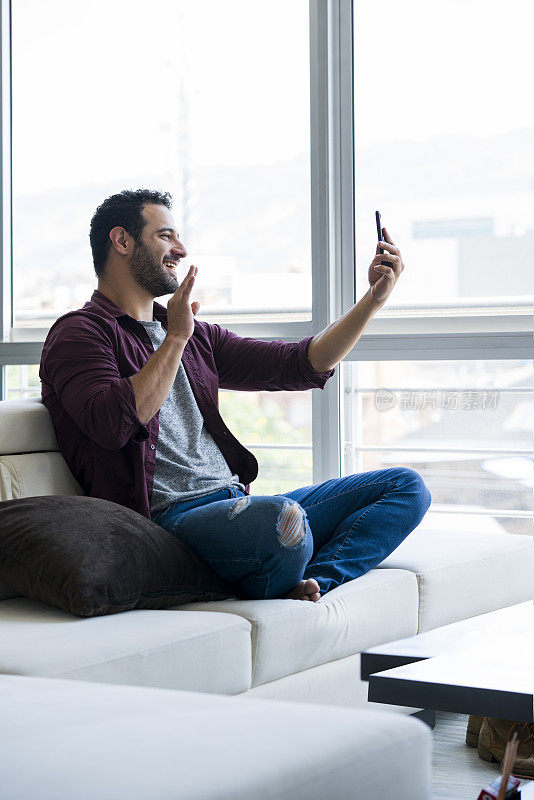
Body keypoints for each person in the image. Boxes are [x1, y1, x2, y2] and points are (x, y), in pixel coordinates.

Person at [39, 189, 431, 603]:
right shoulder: (80, 334)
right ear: (122, 241)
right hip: (171, 524)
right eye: (166, 235)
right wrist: (174, 338)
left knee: (406, 487)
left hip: (236, 506)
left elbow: (300, 363)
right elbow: (114, 422)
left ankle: (315, 581)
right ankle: (276, 566)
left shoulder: (193, 333)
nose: (181, 248)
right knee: (283, 520)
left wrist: (372, 301)